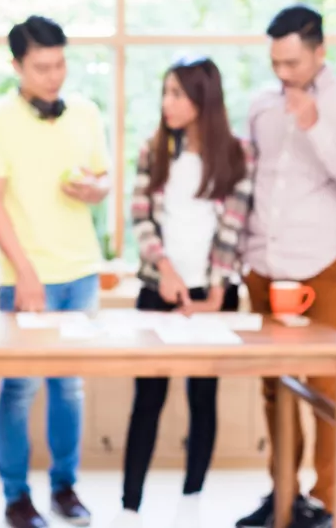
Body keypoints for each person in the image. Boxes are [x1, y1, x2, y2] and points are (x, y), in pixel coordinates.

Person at [235, 5, 336, 528]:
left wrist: (317, 127)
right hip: (263, 264)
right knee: (274, 386)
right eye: (276, 62)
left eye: (293, 62)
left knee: (325, 387)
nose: (283, 74)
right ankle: (284, 496)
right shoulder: (259, 105)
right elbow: (248, 185)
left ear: (320, 51)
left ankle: (325, 503)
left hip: (320, 264)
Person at [0, 15, 111, 528]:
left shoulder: (87, 112)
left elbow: (101, 179)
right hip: (26, 279)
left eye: (60, 64)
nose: (55, 75)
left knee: (69, 386)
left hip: (82, 273)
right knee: (20, 388)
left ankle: (65, 488)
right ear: (16, 65)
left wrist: (96, 191)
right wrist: (25, 274)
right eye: (42, 66)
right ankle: (16, 497)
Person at [110, 56, 253, 528]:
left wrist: (215, 290)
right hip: (158, 290)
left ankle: (191, 501)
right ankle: (130, 506)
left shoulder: (236, 155)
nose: (168, 103)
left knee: (202, 398)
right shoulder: (154, 151)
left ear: (202, 99)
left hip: (212, 298)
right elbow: (141, 218)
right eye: (166, 92)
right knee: (147, 398)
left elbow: (234, 226)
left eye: (178, 94)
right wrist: (166, 272)